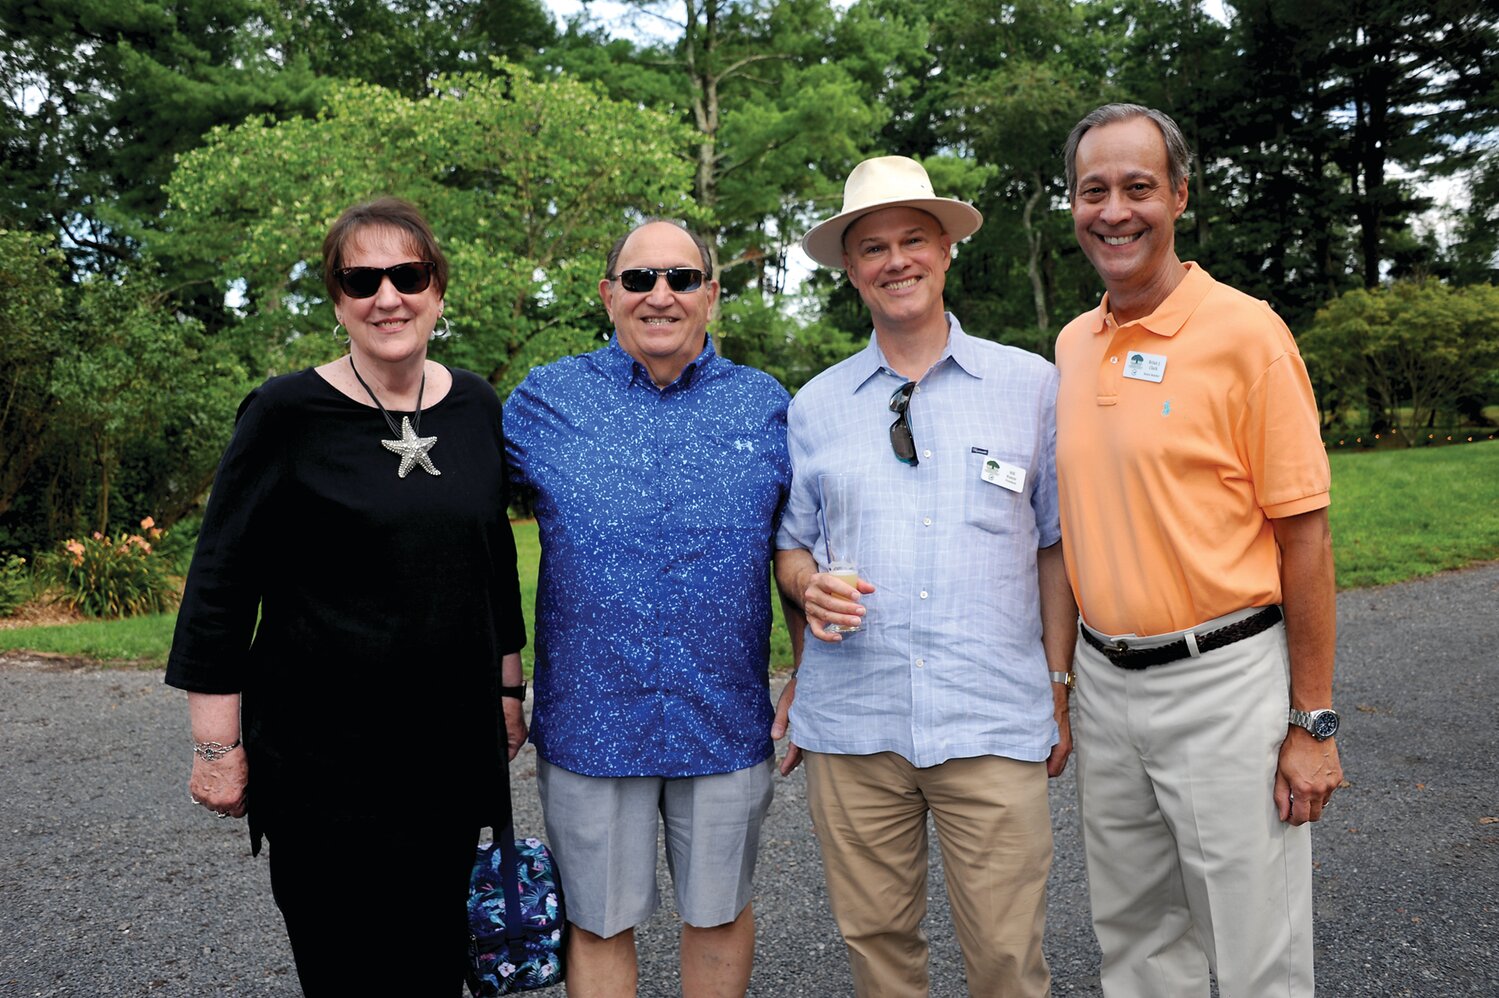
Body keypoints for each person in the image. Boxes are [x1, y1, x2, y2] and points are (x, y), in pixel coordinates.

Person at [165, 197, 528, 996]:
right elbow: (222, 579)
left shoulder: (473, 406)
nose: (386, 296)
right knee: (348, 973)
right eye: (361, 280)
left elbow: (491, 559)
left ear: (438, 288)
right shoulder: (285, 413)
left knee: (435, 969)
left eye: (408, 274)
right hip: (322, 761)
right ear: (337, 300)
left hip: (442, 753)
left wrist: (507, 687)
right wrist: (215, 748)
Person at [1054, 103, 1344, 997]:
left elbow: (1305, 536)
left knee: (1256, 948)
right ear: (1071, 205)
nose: (1115, 210)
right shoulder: (1072, 344)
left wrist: (1312, 722)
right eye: (1092, 190)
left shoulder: (1246, 333)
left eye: (1138, 187)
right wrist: (1063, 686)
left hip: (1222, 683)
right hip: (1106, 686)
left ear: (1178, 196)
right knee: (1135, 943)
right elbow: (1069, 529)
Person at [773, 155, 1076, 998]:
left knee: (1007, 958)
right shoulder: (815, 405)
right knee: (876, 948)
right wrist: (806, 588)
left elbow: (1053, 545)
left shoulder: (1031, 386)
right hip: (852, 724)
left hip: (990, 717)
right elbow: (790, 549)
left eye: (913, 239)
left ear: (947, 251)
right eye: (872, 247)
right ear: (849, 271)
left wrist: (1057, 681)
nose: (895, 259)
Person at [502, 219, 791, 998]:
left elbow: (805, 545)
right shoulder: (543, 402)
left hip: (723, 715)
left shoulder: (767, 407)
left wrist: (813, 669)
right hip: (591, 720)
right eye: (638, 280)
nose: (659, 294)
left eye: (681, 278)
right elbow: (450, 519)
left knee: (719, 910)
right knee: (597, 921)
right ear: (608, 295)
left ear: (711, 294)